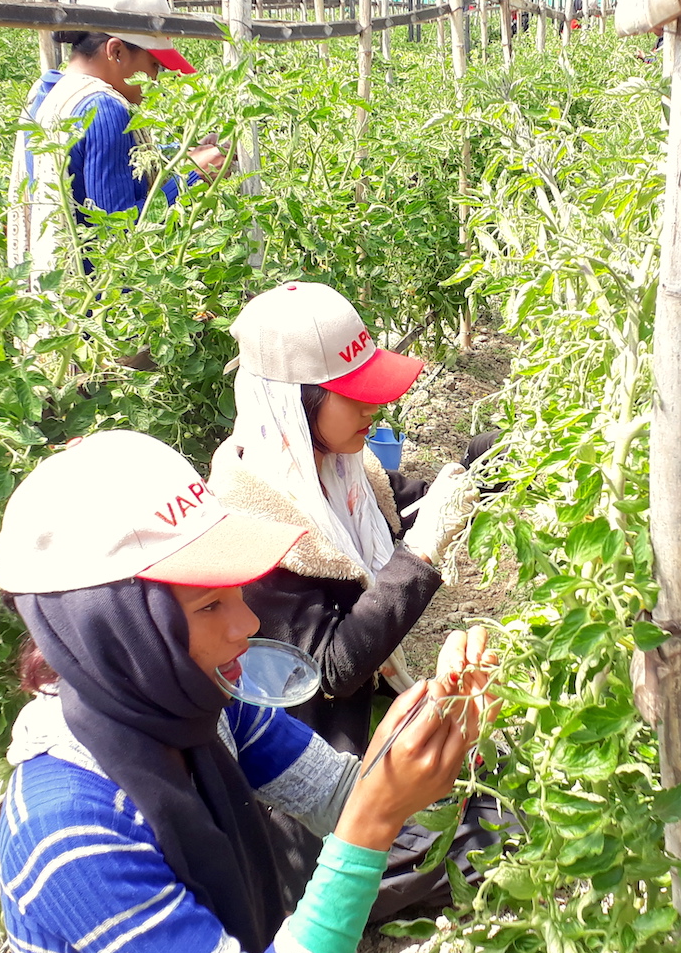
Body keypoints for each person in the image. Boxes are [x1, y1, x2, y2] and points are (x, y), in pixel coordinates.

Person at [0, 429, 506, 953]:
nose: (247, 623)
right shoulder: (66, 822)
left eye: (235, 593)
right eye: (207, 608)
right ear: (118, 631)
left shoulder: (208, 710)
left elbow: (351, 802)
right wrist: (372, 817)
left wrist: (440, 734)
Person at [210, 281, 503, 919]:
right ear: (299, 404)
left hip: (351, 731)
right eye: (356, 396)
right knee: (467, 841)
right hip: (305, 758)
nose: (373, 409)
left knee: (481, 788)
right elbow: (335, 668)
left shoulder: (337, 469)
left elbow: (394, 503)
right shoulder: (255, 526)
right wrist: (420, 556)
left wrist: (477, 477)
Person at [5, 0, 227, 285]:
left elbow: (92, 167)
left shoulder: (47, 90)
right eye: (154, 65)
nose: (155, 80)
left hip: (54, 298)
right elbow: (119, 232)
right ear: (117, 51)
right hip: (99, 311)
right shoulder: (105, 108)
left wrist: (179, 153)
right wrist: (193, 176)